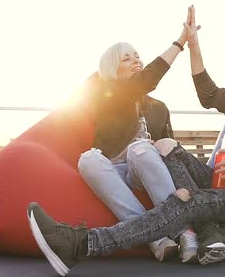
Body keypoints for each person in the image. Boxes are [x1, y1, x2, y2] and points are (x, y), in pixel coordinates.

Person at [27, 6, 225, 276]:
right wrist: (192, 44)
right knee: (169, 148)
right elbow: (210, 95)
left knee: (187, 201)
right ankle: (213, 233)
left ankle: (82, 244)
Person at [76, 40, 199, 263]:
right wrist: (179, 43)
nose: (136, 60)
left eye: (136, 56)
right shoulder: (104, 94)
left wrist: (165, 144)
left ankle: (183, 231)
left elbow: (168, 146)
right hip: (115, 171)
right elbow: (143, 82)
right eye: (126, 58)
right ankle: (156, 238)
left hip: (144, 167)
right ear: (112, 69)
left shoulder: (158, 107)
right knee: (88, 159)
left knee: (140, 148)